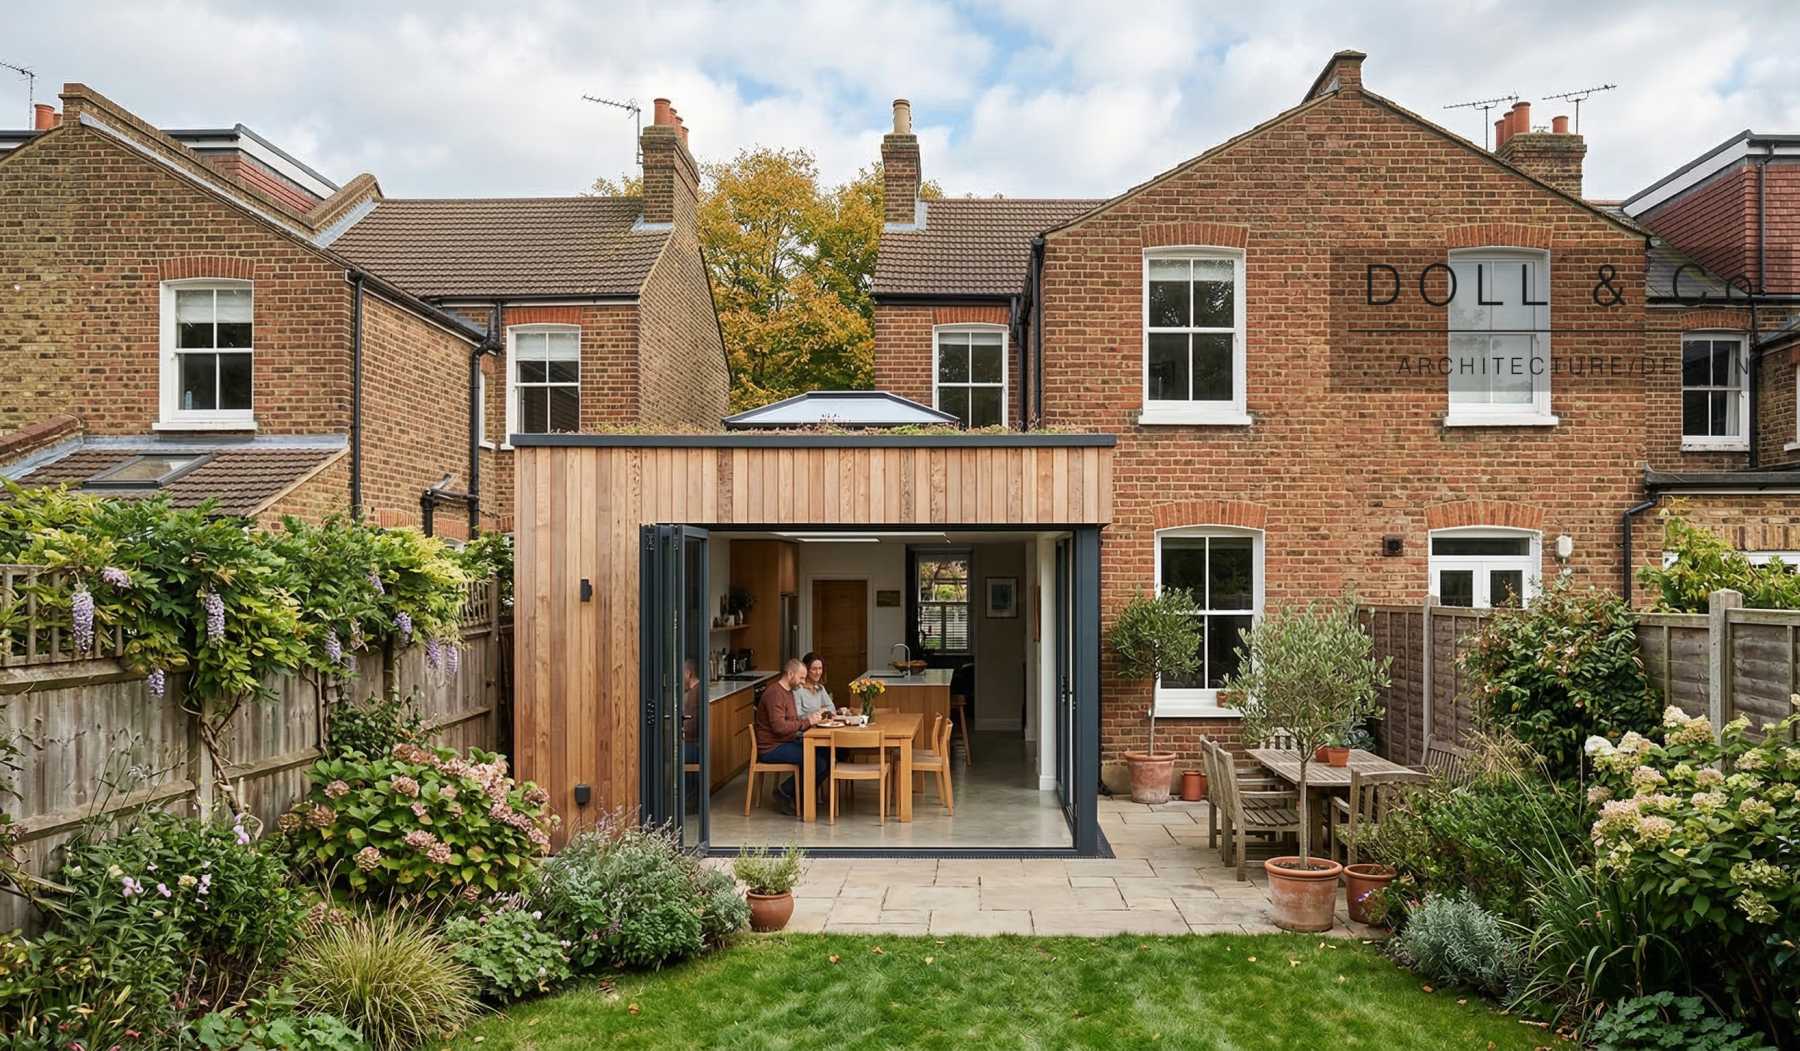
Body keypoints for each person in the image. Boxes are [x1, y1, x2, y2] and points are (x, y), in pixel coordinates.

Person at [753, 657, 826, 816]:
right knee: (818, 762)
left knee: (825, 755)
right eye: (801, 677)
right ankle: (786, 793)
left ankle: (801, 796)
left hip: (785, 741)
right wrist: (807, 722)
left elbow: (791, 721)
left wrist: (809, 720)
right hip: (772, 748)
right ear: (790, 674)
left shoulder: (788, 692)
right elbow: (779, 727)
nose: (802, 682)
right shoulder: (775, 693)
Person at [793, 652, 836, 719]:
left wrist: (823, 711)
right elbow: (797, 716)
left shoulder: (820, 687)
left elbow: (832, 708)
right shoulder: (797, 689)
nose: (818, 672)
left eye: (820, 668)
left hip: (820, 726)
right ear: (806, 670)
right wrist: (819, 713)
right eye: (814, 669)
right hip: (806, 728)